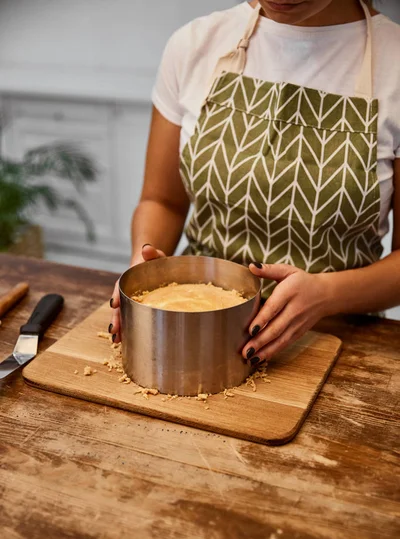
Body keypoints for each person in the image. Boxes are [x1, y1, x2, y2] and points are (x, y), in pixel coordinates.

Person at [110, 0, 400, 367]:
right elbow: (162, 201)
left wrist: (327, 294)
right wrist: (143, 267)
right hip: (193, 339)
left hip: (340, 346)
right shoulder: (195, 45)